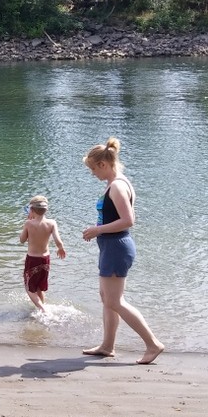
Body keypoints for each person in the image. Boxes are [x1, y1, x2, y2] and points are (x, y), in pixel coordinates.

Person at [80, 138, 165, 365]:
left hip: (117, 246)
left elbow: (128, 220)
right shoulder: (115, 183)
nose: (92, 174)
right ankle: (107, 346)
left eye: (92, 169)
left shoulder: (117, 185)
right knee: (106, 298)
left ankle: (152, 344)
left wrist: (97, 230)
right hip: (111, 246)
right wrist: (99, 232)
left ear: (103, 165)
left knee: (115, 301)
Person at [19, 195, 66, 313]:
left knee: (29, 288)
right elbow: (58, 240)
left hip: (32, 260)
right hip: (46, 259)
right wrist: (60, 248)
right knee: (39, 287)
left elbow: (22, 240)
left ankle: (43, 309)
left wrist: (28, 223)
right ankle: (42, 308)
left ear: (32, 210)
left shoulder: (29, 224)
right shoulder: (52, 223)